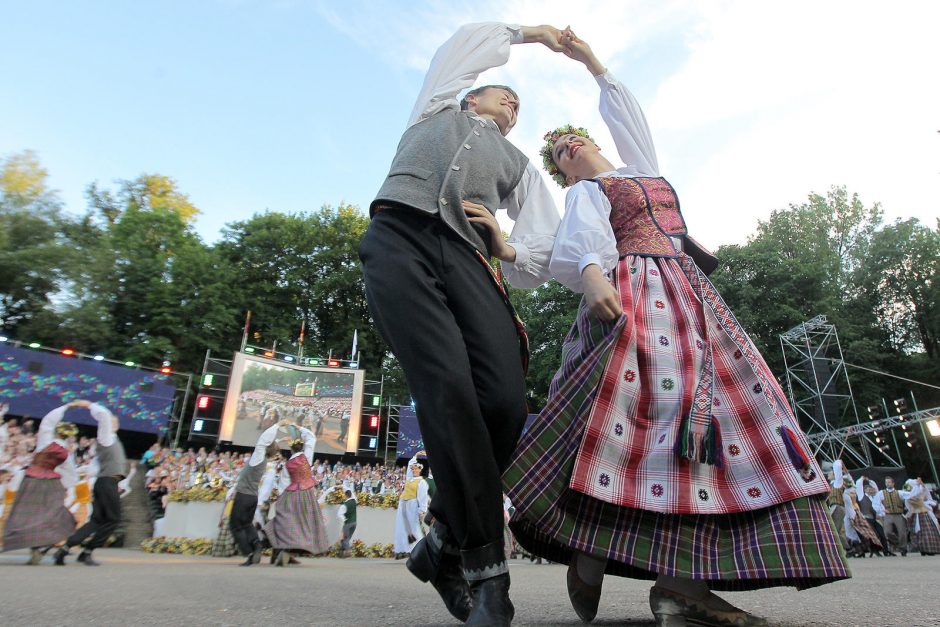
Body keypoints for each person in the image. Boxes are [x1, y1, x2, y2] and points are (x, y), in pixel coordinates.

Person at [503, 29, 850, 626]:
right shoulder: (590, 191)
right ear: (561, 174)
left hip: (690, 295)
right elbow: (579, 242)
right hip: (635, 294)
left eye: (573, 136)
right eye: (559, 150)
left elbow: (628, 116)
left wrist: (590, 62)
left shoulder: (644, 170)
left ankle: (678, 583)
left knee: (715, 420)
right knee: (648, 419)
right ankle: (593, 550)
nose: (571, 145)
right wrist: (591, 275)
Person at [359, 21, 564, 625]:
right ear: (470, 96)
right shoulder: (435, 105)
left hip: (470, 256)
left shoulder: (521, 165)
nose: (513, 103)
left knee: (502, 401)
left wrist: (504, 245)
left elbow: (545, 246)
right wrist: (534, 34)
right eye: (505, 94)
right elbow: (466, 45)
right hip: (399, 237)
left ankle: (443, 540)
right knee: (447, 391)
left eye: (520, 105)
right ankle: (484, 575)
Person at [2, 403, 79, 564]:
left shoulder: (46, 441)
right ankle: (38, 548)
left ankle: (11, 540)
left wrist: (65, 407)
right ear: (69, 436)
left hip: (31, 480)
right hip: (51, 484)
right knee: (47, 517)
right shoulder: (66, 453)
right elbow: (71, 474)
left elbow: (47, 422)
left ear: (57, 432)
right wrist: (65, 487)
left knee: (23, 514)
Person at [55, 401, 127, 566]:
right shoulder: (106, 438)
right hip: (107, 482)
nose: (113, 423)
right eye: (112, 421)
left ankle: (66, 548)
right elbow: (103, 416)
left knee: (97, 520)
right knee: (113, 519)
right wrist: (88, 405)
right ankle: (87, 550)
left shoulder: (112, 440)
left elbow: (95, 468)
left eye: (115, 421)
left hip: (106, 482)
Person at [263, 426, 329, 566]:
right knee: (304, 525)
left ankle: (281, 551)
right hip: (306, 494)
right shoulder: (306, 457)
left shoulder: (287, 465)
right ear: (301, 447)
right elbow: (311, 438)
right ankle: (286, 553)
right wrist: (301, 428)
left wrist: (281, 500)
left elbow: (283, 484)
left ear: (291, 450)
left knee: (287, 524)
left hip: (290, 494)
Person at [227, 420, 287, 566]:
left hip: (243, 495)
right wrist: (278, 439)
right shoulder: (265, 461)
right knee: (247, 524)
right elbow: (269, 446)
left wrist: (277, 425)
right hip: (253, 497)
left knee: (235, 525)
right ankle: (256, 544)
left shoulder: (257, 459)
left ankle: (249, 552)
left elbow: (262, 442)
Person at [394, 458, 429, 559]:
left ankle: (417, 549)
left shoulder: (422, 482)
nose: (414, 470)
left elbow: (423, 497)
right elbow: (409, 466)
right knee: (401, 527)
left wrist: (422, 510)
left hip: (412, 505)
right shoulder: (409, 479)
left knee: (414, 527)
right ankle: (401, 549)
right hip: (403, 504)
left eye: (416, 469)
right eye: (413, 469)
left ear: (420, 470)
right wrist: (415, 456)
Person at [900, 478, 940, 556]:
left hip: (924, 513)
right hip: (916, 514)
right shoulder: (909, 493)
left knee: (926, 532)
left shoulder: (920, 490)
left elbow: (926, 495)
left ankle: (928, 549)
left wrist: (921, 484)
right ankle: (923, 549)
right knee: (919, 533)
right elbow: (907, 499)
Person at [878, 476, 909, 555]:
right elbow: (875, 502)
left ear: (893, 483)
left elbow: (911, 495)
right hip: (888, 515)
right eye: (886, 482)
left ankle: (903, 549)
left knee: (902, 532)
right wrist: (881, 509)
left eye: (889, 482)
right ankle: (899, 544)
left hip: (898, 514)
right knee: (887, 532)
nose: (887, 484)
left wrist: (919, 486)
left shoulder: (900, 492)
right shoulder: (881, 493)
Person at [337, 489, 357, 557]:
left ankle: (348, 550)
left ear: (345, 495)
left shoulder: (344, 505)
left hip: (348, 523)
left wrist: (345, 519)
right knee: (347, 538)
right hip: (354, 522)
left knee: (344, 538)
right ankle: (342, 553)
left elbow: (339, 514)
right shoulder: (354, 501)